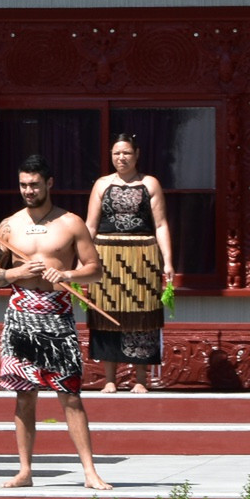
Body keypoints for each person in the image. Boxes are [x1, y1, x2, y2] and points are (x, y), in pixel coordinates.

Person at [0, 154, 111, 490]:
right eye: (23, 184)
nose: (28, 190)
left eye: (34, 184)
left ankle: (89, 472)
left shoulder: (71, 223)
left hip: (57, 314)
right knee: (24, 395)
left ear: (49, 183)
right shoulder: (8, 226)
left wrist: (67, 273)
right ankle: (25, 470)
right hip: (20, 316)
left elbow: (96, 270)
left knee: (70, 395)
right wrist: (17, 272)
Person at [85, 132, 174, 392]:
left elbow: (160, 225)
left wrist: (167, 261)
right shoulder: (101, 184)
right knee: (106, 314)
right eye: (116, 153)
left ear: (136, 155)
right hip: (106, 256)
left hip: (142, 255)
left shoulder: (150, 183)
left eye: (126, 153)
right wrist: (82, 259)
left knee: (142, 316)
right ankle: (110, 379)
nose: (121, 158)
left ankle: (140, 379)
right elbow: (90, 225)